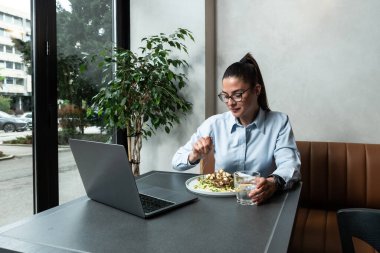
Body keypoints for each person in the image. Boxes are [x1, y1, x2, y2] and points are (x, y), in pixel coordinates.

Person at [172, 53, 301, 204]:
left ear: (257, 90)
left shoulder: (279, 122)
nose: (230, 103)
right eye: (225, 96)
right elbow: (176, 161)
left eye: (237, 95)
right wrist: (194, 155)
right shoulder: (214, 124)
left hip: (262, 202)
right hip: (221, 205)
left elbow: (290, 166)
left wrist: (273, 183)